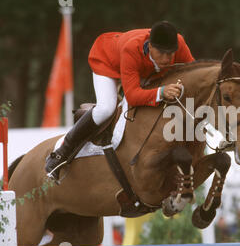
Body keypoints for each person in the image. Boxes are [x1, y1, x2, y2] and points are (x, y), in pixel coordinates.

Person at [45, 21, 195, 179]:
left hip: (142, 71)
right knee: (106, 109)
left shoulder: (179, 44)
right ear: (150, 46)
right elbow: (132, 96)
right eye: (161, 53)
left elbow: (193, 75)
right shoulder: (132, 48)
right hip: (107, 61)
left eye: (170, 53)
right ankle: (61, 154)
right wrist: (161, 92)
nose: (166, 59)